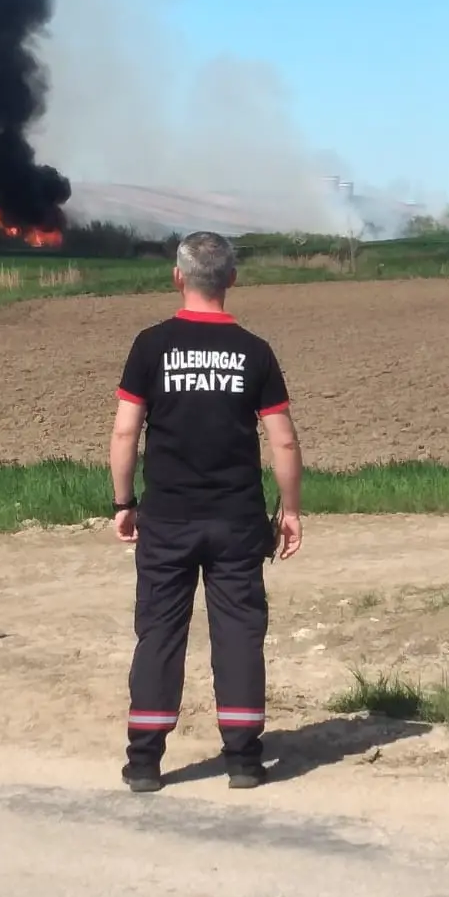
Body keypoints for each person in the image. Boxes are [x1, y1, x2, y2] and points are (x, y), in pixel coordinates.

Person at [108, 230, 304, 794]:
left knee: (159, 633)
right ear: (232, 280)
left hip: (166, 519)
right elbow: (283, 443)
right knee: (239, 632)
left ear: (178, 277)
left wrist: (124, 504)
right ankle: (243, 759)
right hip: (238, 520)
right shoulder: (254, 351)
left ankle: (144, 762)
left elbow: (125, 432)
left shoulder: (150, 346)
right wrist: (289, 509)